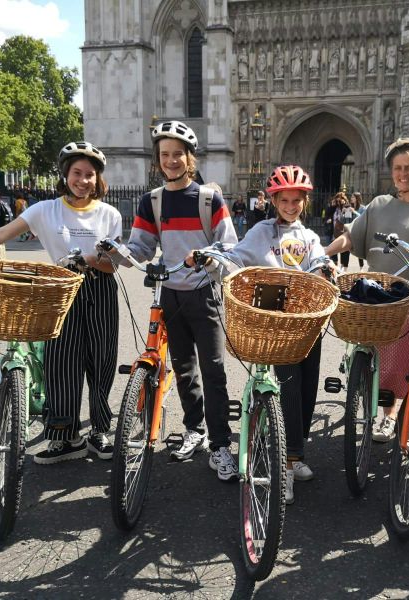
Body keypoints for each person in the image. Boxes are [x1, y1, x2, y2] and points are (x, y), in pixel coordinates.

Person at [0, 141, 123, 464]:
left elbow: (113, 264)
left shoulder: (110, 215)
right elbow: (2, 233)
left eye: (90, 175)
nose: (83, 180)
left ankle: (99, 431)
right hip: (59, 289)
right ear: (65, 174)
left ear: (98, 179)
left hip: (100, 289)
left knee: (101, 361)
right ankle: (66, 438)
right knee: (60, 362)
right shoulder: (45, 210)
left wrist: (92, 259)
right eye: (77, 173)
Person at [186, 165, 327, 504]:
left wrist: (326, 269)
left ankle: (296, 453)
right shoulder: (262, 232)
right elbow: (234, 256)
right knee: (290, 387)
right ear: (274, 200)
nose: (291, 206)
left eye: (297, 200)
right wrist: (208, 258)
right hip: (275, 319)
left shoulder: (308, 236)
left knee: (308, 387)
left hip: (306, 317)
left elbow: (320, 263)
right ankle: (286, 466)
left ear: (304, 202)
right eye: (285, 200)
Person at [125, 120, 240, 481]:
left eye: (178, 154)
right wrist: (114, 251)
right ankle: (196, 429)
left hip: (205, 294)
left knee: (213, 371)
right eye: (165, 155)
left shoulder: (209, 199)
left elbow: (230, 246)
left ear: (189, 157)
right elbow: (140, 246)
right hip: (170, 294)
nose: (171, 160)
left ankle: (221, 444)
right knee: (185, 370)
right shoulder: (152, 201)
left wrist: (209, 254)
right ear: (158, 159)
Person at [325, 137, 409, 441]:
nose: (402, 174)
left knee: (403, 362)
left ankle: (395, 417)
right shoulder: (379, 205)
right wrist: (325, 252)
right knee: (376, 357)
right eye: (397, 168)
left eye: (408, 167)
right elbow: (351, 237)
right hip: (375, 291)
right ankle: (383, 408)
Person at [332, 192, 356, 271]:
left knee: (344, 250)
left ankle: (343, 268)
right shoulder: (333, 207)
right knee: (333, 250)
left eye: (342, 199)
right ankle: (335, 267)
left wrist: (345, 211)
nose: (339, 200)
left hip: (344, 231)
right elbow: (327, 214)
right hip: (334, 232)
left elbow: (349, 219)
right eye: (338, 198)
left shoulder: (347, 207)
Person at [350, 192, 365, 268]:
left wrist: (354, 212)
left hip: (359, 230)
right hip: (351, 229)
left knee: (358, 249)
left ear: (357, 198)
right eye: (351, 197)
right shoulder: (350, 207)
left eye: (353, 197)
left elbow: (362, 218)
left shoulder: (362, 208)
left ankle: (361, 267)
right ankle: (344, 266)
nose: (351, 199)